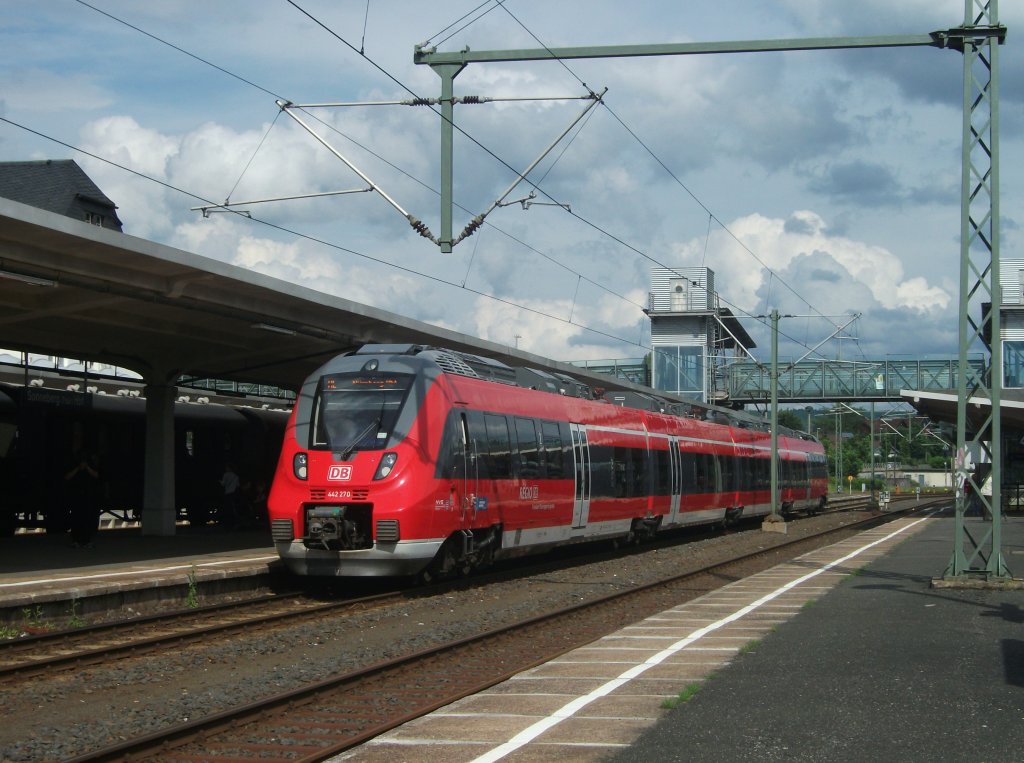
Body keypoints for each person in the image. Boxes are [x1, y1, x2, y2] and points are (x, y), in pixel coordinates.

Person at [64, 449, 101, 547]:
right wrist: (78, 468)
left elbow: (97, 475)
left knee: (87, 518)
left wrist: (87, 467)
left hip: (87, 495)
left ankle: (86, 539)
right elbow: (67, 477)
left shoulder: (90, 465)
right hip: (76, 495)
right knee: (76, 518)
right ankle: (76, 539)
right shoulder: (74, 464)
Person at [220, 463, 242, 529]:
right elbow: (238, 485)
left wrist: (220, 482)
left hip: (228, 493)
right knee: (234, 508)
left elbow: (223, 484)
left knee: (228, 508)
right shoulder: (236, 476)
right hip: (234, 493)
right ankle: (236, 522)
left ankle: (228, 523)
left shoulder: (226, 475)